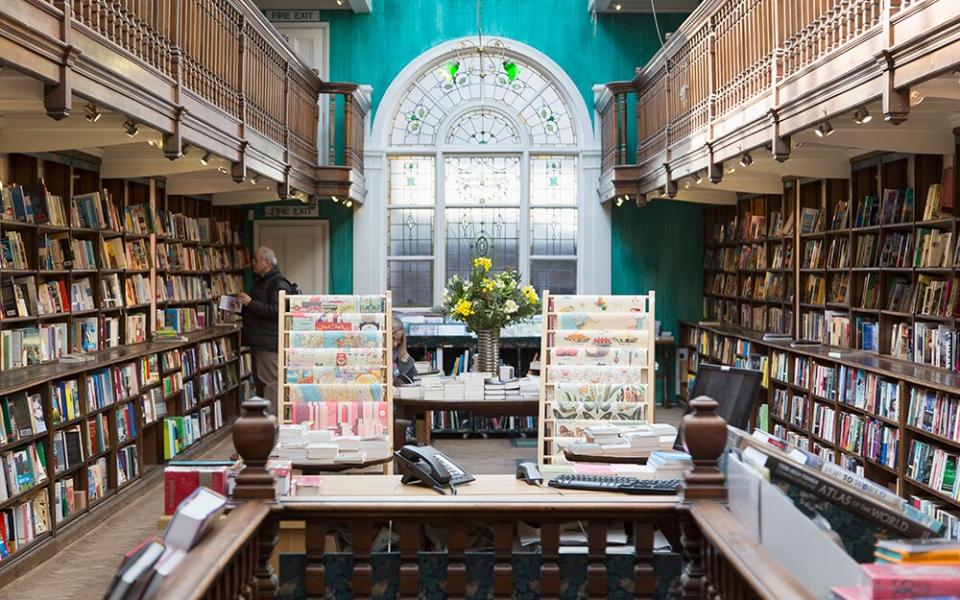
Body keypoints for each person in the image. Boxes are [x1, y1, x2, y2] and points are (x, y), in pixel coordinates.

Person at [238, 247, 292, 416]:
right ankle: (265, 417)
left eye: (256, 260)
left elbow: (278, 310)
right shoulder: (262, 281)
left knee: (271, 381)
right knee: (262, 380)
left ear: (267, 263)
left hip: (269, 341)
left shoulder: (278, 283)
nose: (252, 263)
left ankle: (273, 419)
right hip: (260, 340)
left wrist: (250, 303)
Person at [392, 318, 418, 385]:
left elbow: (416, 382)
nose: (395, 344)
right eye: (393, 338)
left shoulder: (406, 359)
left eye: (399, 340)